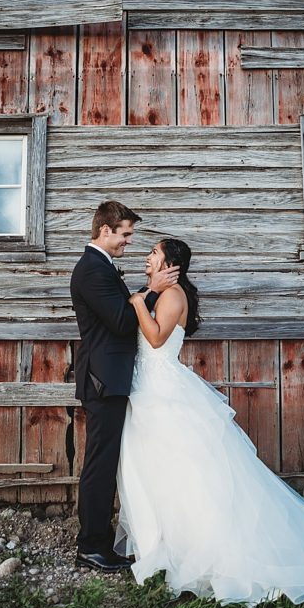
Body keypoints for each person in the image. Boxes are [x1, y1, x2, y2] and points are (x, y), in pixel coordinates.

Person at [114, 238, 304, 606]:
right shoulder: (160, 293)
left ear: (169, 264)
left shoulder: (173, 295)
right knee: (157, 473)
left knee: (185, 474)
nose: (147, 257)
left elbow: (155, 336)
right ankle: (164, 545)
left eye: (153, 253)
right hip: (148, 389)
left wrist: (135, 302)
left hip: (163, 393)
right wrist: (143, 294)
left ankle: (204, 549)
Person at [69, 201, 179, 573]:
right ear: (106, 230)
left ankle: (98, 542)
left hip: (112, 379)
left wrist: (144, 294)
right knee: (99, 466)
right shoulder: (91, 270)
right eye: (126, 235)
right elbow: (119, 320)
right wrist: (150, 290)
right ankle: (91, 546)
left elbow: (123, 309)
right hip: (103, 381)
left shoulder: (102, 267)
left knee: (106, 463)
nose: (129, 242)